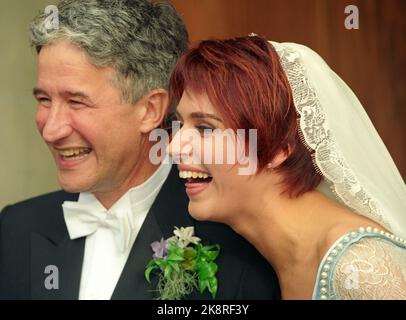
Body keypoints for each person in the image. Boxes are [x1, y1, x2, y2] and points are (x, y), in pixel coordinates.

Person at [0, 2, 280, 300]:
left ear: (150, 110)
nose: (50, 129)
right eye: (44, 99)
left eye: (76, 102)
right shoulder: (15, 228)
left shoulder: (236, 247)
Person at [167, 35, 406, 300]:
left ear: (279, 148)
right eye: (178, 124)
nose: (173, 147)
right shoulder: (269, 264)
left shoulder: (359, 269)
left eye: (205, 128)